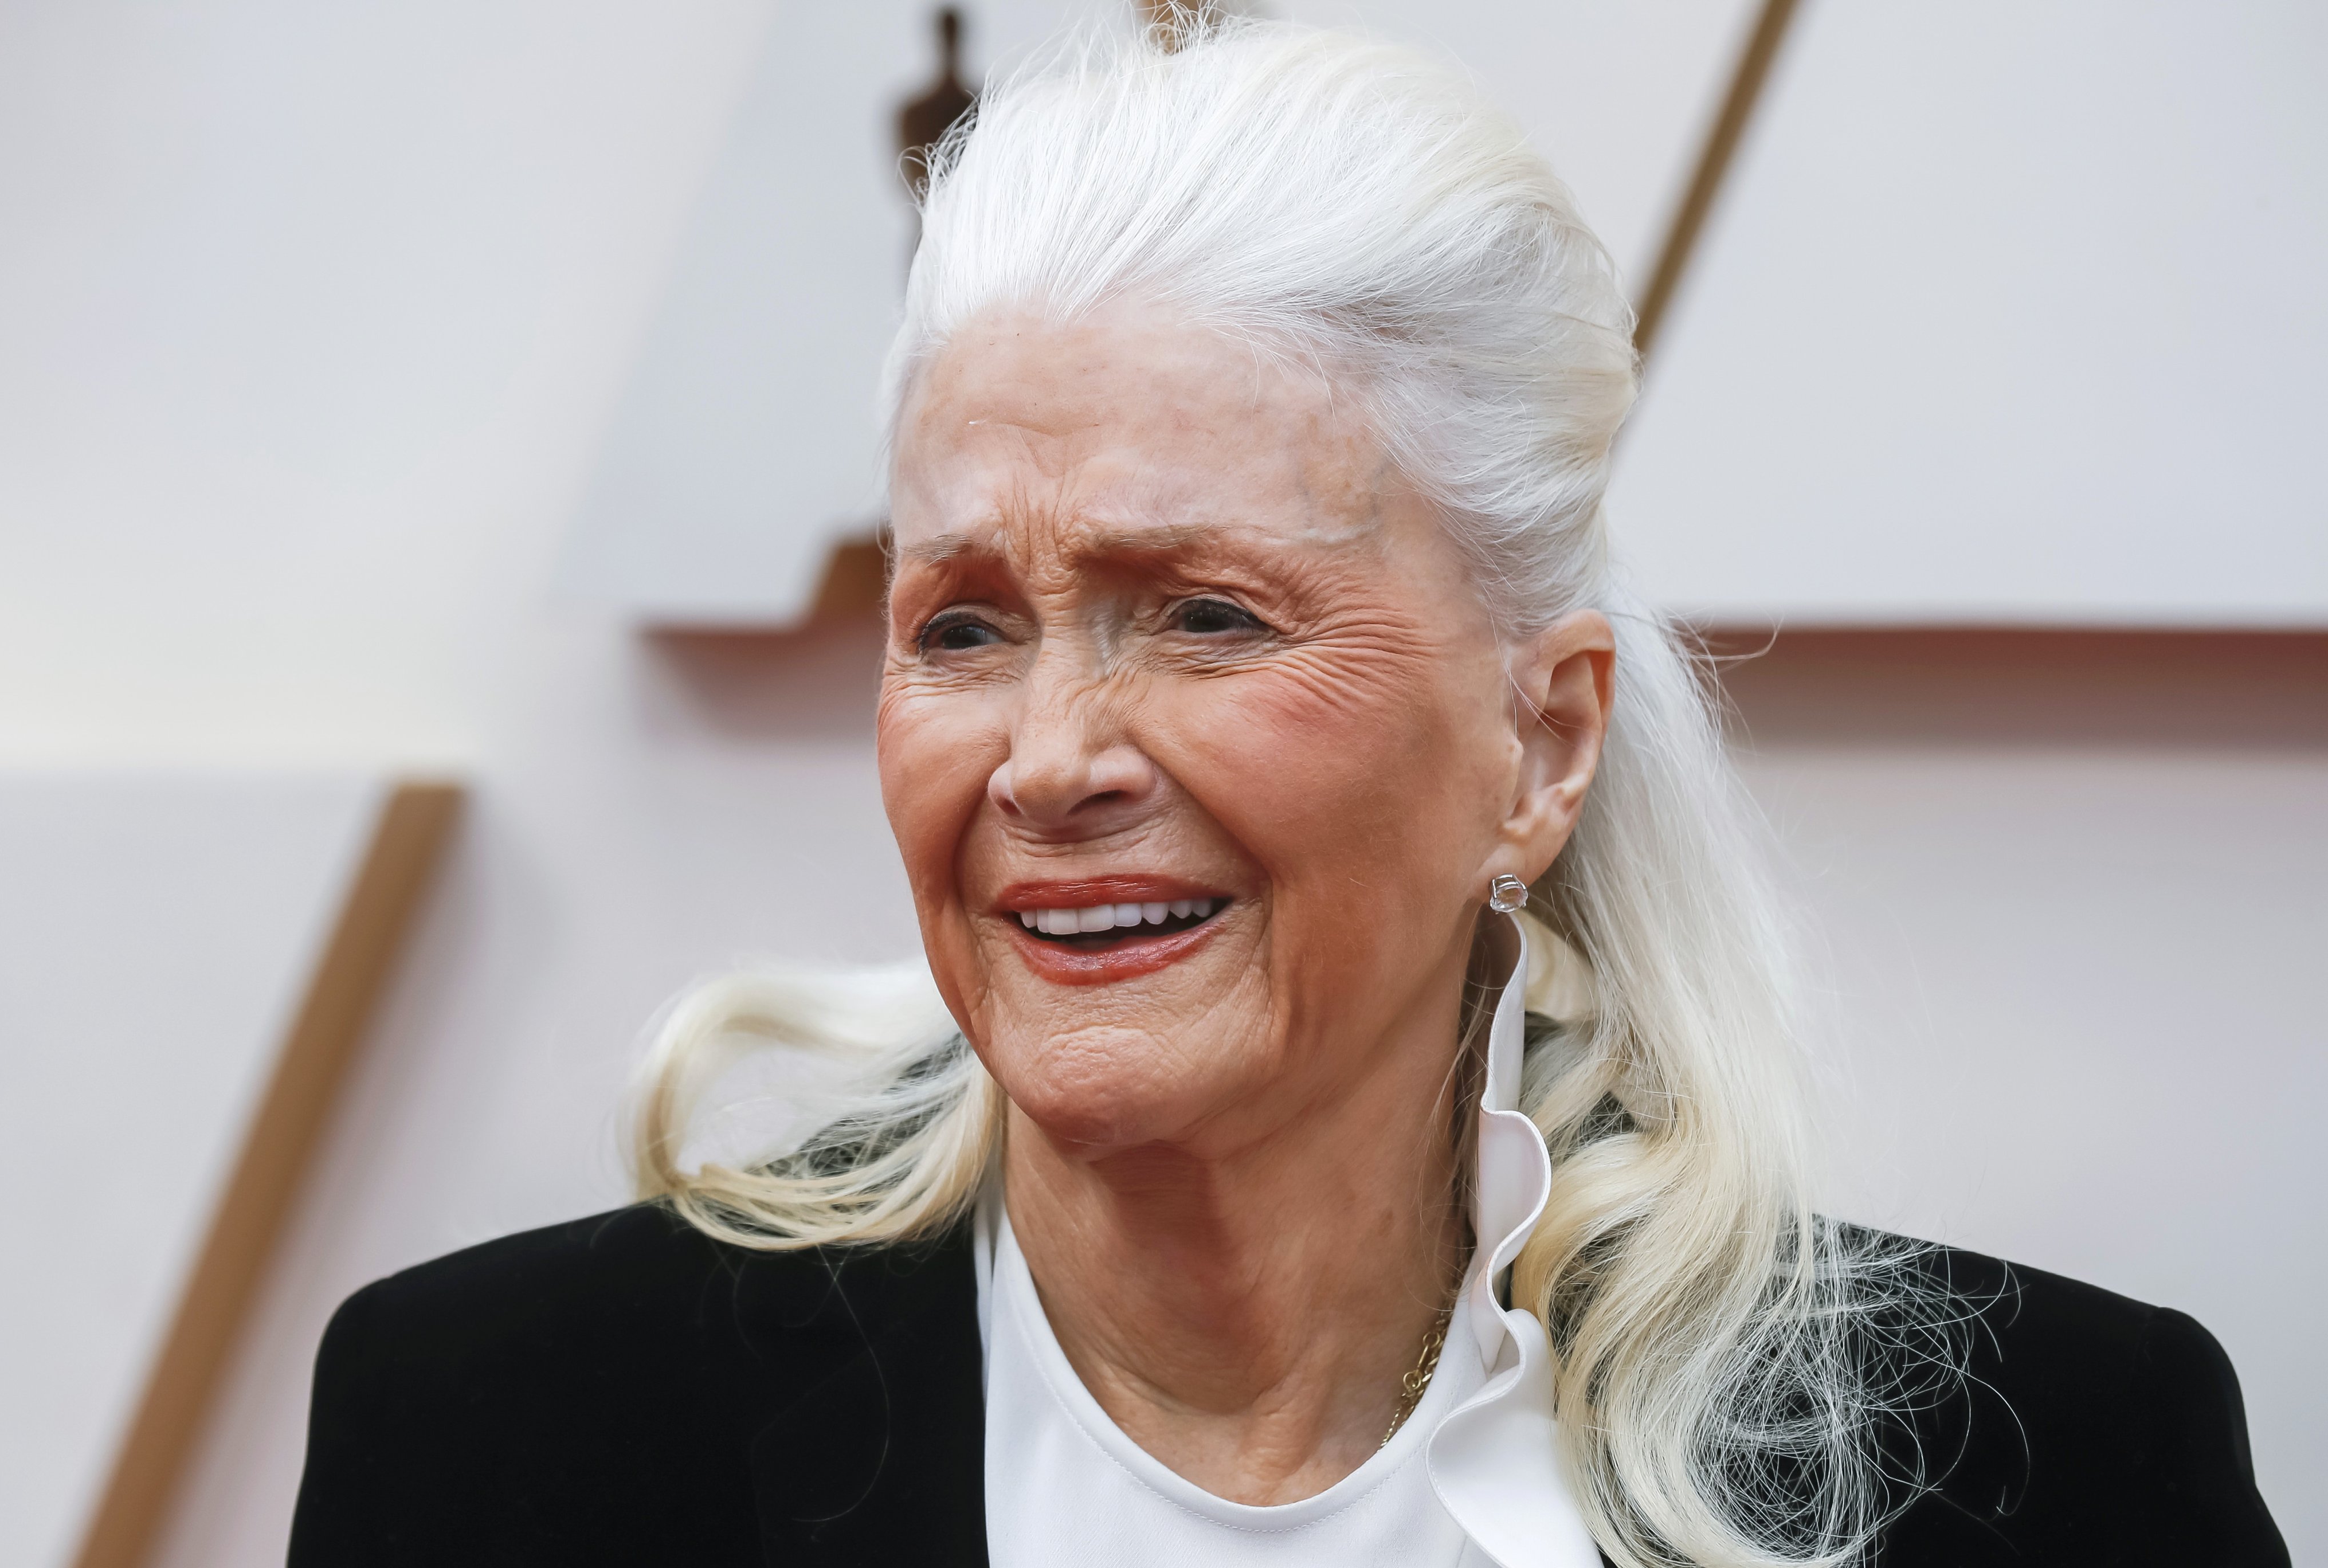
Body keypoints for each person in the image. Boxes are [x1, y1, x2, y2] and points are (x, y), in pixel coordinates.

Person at [289, 22, 2286, 1567]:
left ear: (1544, 741)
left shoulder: (2043, 1476)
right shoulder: (506, 1440)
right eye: (965, 629)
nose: (1052, 761)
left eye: (1209, 619)